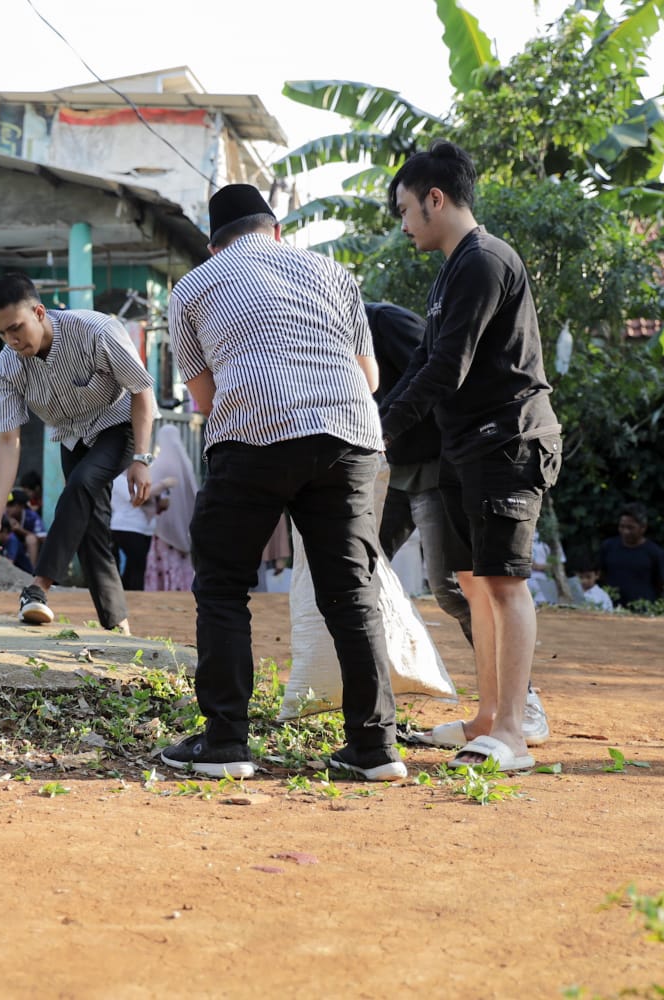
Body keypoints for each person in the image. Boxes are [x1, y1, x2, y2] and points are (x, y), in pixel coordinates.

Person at [160, 183, 401, 782]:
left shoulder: (193, 287)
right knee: (351, 592)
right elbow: (369, 375)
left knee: (222, 586)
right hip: (348, 432)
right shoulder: (331, 271)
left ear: (214, 244)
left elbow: (206, 397)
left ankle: (226, 744)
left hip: (252, 433)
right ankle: (374, 749)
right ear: (275, 230)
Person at [381, 140, 563, 772]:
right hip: (467, 449)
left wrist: (379, 430)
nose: (403, 226)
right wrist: (375, 423)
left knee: (506, 585)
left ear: (436, 198)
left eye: (405, 210)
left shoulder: (484, 261)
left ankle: (513, 734)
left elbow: (446, 369)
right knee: (476, 586)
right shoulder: (453, 269)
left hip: (509, 441)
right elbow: (428, 366)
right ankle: (486, 719)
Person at [0, 273, 155, 634]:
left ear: (39, 312)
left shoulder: (96, 331)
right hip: (73, 438)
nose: (11, 340)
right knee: (90, 530)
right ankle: (118, 623)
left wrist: (142, 458)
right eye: (1, 333)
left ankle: (37, 587)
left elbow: (142, 391)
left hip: (120, 426)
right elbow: (8, 442)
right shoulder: (6, 367)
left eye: (16, 328)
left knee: (81, 485)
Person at [366, 301, 474, 643]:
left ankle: (515, 686)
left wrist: (386, 424)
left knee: (449, 588)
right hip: (392, 472)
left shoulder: (383, 321)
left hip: (434, 469)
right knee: (358, 568)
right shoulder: (329, 342)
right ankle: (366, 680)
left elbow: (438, 376)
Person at [144, 423, 196, 592]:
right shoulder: (186, 464)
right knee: (181, 560)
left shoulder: (161, 463)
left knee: (165, 559)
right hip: (185, 525)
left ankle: (164, 588)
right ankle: (182, 587)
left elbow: (148, 490)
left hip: (163, 526)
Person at [599, 503, 664, 607]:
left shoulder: (655, 553)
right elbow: (601, 574)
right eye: (622, 526)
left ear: (643, 528)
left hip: (642, 610)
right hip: (610, 607)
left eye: (631, 528)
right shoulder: (608, 547)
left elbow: (661, 584)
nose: (625, 531)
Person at [109, 470, 156, 591]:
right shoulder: (118, 478)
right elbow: (137, 498)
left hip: (143, 529)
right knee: (137, 566)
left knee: (135, 566)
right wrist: (163, 486)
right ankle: (133, 597)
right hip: (126, 527)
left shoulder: (137, 476)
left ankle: (129, 596)